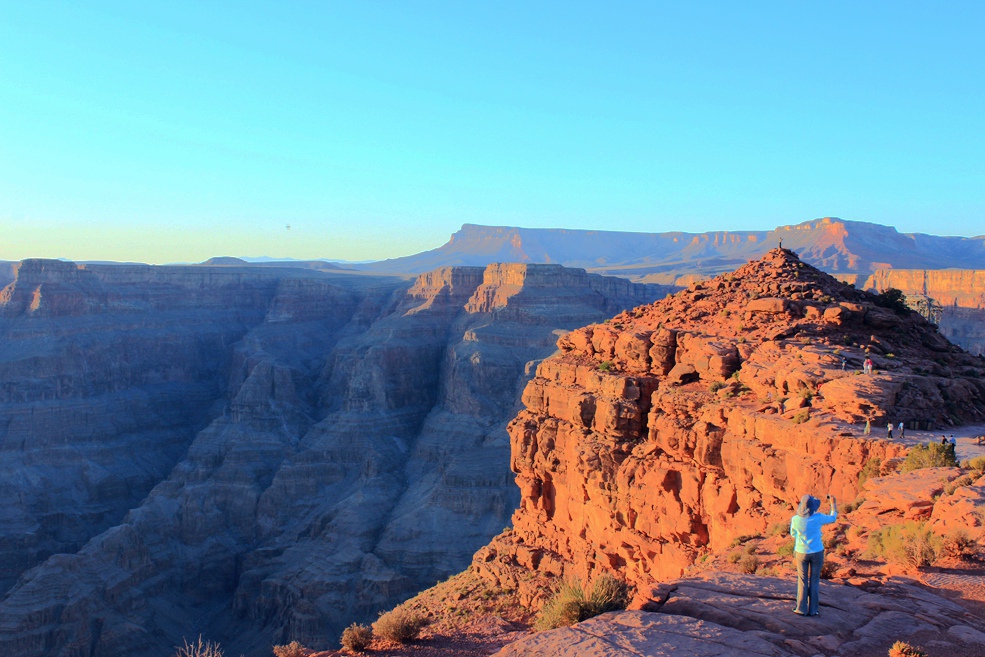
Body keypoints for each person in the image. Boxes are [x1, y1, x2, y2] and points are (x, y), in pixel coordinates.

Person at [790, 494, 838, 616]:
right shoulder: (818, 518)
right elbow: (833, 518)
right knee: (815, 580)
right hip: (817, 551)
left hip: (801, 552)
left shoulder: (795, 519)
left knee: (802, 580)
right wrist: (833, 504)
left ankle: (801, 609)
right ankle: (813, 610)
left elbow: (793, 534)